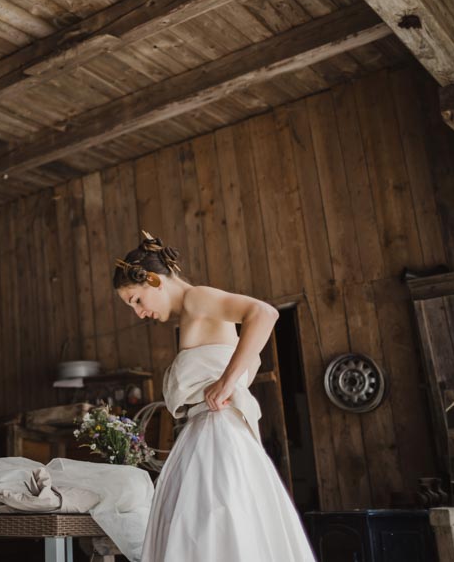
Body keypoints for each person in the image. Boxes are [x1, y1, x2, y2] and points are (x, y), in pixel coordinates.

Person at [114, 231, 316, 562]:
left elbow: (264, 313)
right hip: (209, 436)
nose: (138, 313)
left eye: (136, 300)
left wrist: (227, 381)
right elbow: (249, 355)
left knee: (213, 530)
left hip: (216, 436)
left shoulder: (197, 299)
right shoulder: (195, 316)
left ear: (153, 280)